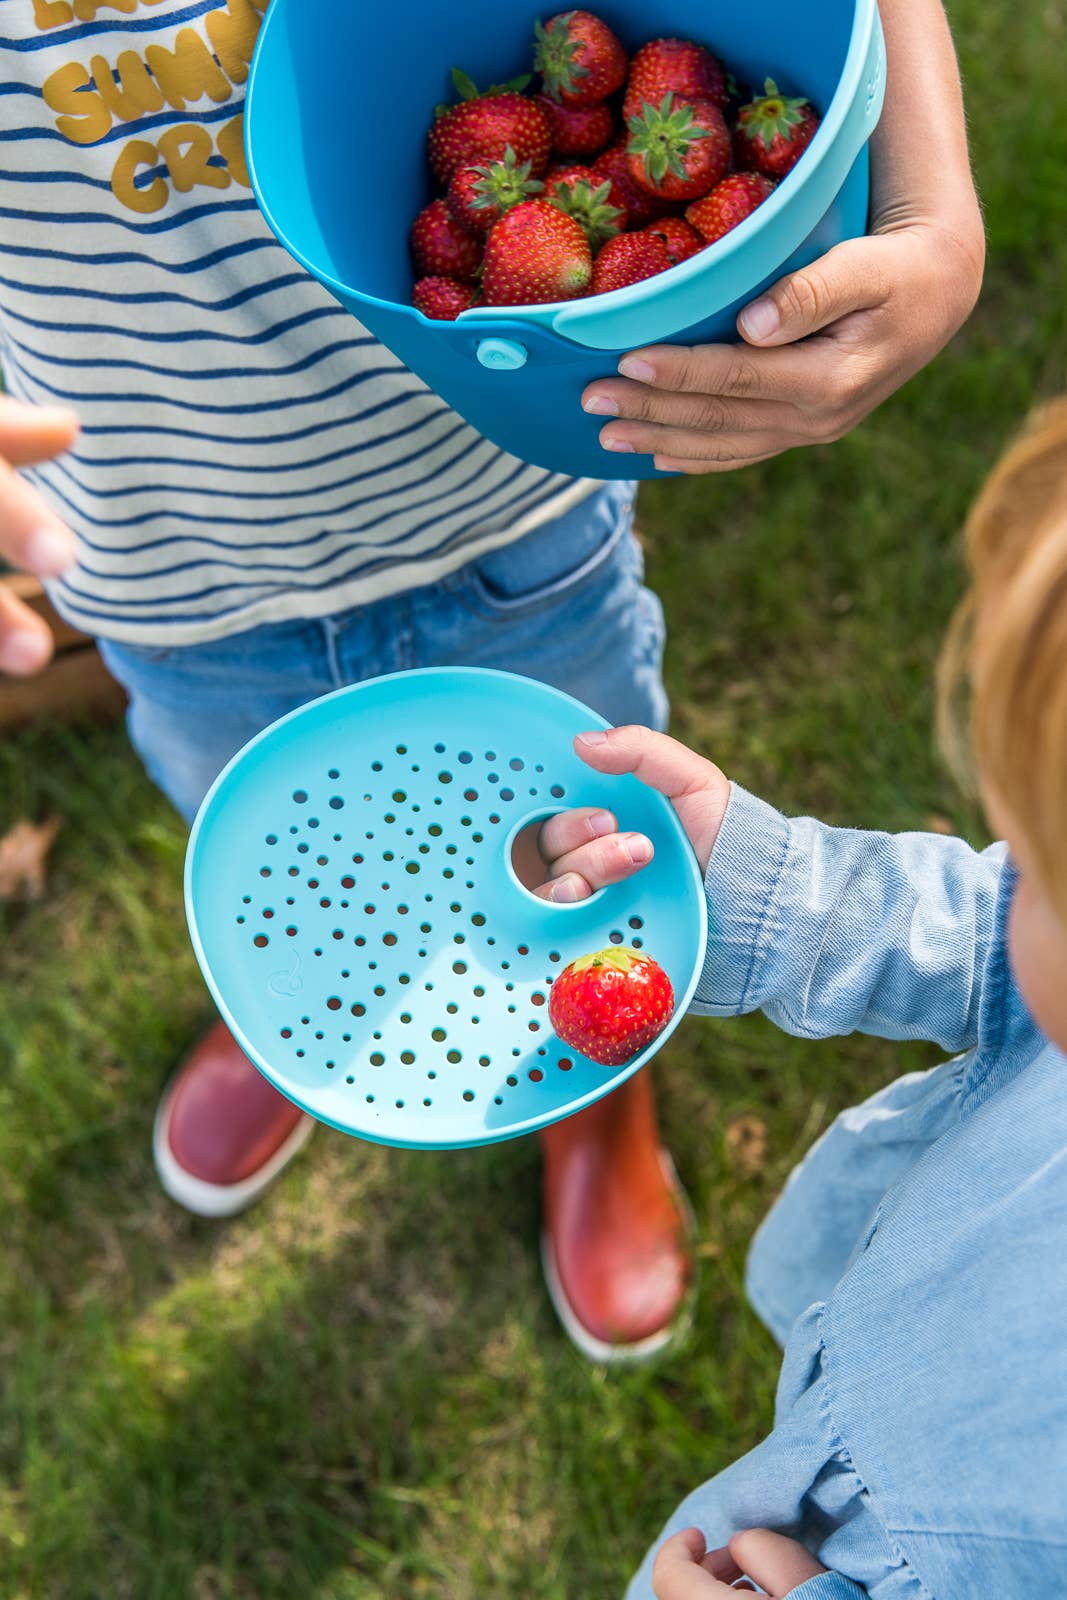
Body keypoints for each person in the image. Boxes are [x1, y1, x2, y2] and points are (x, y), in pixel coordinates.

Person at [0, 0, 983, 1361]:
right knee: (289, 844)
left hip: (501, 517)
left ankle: (596, 1085)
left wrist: (928, 203)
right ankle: (319, 985)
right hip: (174, 570)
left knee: (588, 847)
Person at [535, 400, 1067, 1594]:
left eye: (1039, 874)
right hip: (875, 1384)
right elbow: (984, 941)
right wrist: (764, 888)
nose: (1009, 885)